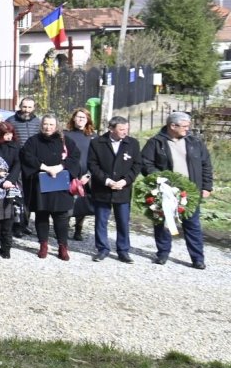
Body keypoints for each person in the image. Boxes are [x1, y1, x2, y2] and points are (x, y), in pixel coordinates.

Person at [140, 110, 214, 268]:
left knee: (192, 224)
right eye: (184, 126)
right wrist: (161, 178)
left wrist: (207, 186)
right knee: (164, 223)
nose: (188, 129)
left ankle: (197, 258)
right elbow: (145, 163)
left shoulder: (195, 142)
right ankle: (163, 254)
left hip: (191, 191)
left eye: (188, 126)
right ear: (173, 126)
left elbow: (206, 165)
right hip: (166, 191)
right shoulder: (156, 142)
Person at [19, 114, 80, 261]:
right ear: (41, 125)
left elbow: (75, 157)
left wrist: (60, 167)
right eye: (45, 124)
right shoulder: (33, 141)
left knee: (61, 217)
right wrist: (45, 167)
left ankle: (62, 246)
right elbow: (26, 156)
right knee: (42, 215)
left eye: (51, 124)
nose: (48, 127)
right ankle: (43, 245)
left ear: (56, 126)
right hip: (41, 184)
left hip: (60, 185)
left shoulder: (66, 141)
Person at [88, 115, 140, 264]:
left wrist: (125, 181)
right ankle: (102, 249)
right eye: (121, 129)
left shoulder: (133, 143)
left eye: (127, 129)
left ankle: (123, 251)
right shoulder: (97, 142)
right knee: (101, 220)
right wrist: (107, 181)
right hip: (103, 188)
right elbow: (92, 165)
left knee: (123, 221)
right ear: (111, 129)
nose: (125, 132)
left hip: (123, 188)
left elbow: (137, 165)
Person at [8, 97, 41, 237]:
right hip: (18, 163)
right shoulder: (11, 121)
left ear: (34, 108)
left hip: (34, 164)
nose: (26, 110)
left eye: (29, 107)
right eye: (24, 107)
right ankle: (16, 225)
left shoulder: (38, 122)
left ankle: (25, 224)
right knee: (18, 195)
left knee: (30, 195)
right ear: (20, 106)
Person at [64, 108, 94, 241]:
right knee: (67, 201)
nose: (81, 119)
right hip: (69, 173)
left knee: (82, 202)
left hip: (85, 175)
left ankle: (78, 229)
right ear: (73, 118)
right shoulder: (65, 135)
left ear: (88, 120)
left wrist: (88, 175)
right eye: (78, 117)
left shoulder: (93, 137)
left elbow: (96, 158)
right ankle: (64, 227)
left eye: (83, 117)